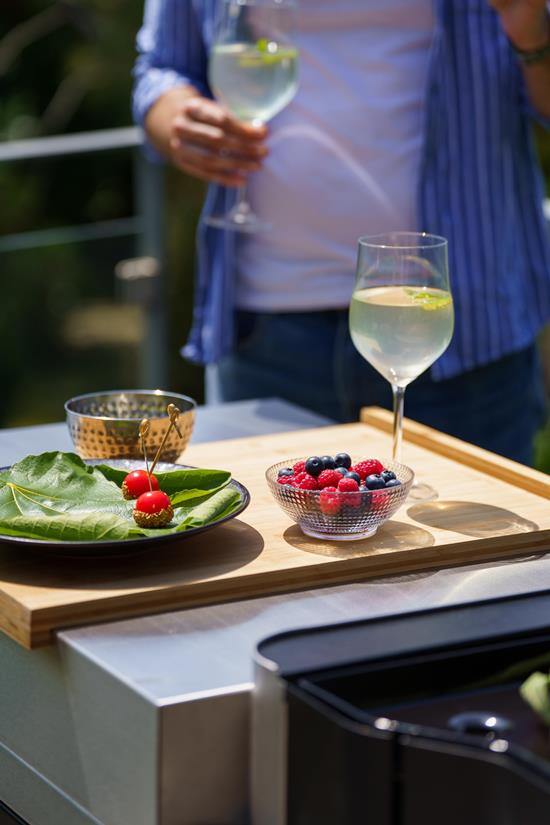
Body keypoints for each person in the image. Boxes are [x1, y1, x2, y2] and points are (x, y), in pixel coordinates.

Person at [133, 0, 550, 465]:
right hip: (266, 330)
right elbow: (160, 70)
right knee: (266, 532)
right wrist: (177, 119)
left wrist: (533, 33)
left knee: (487, 537)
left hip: (460, 331)